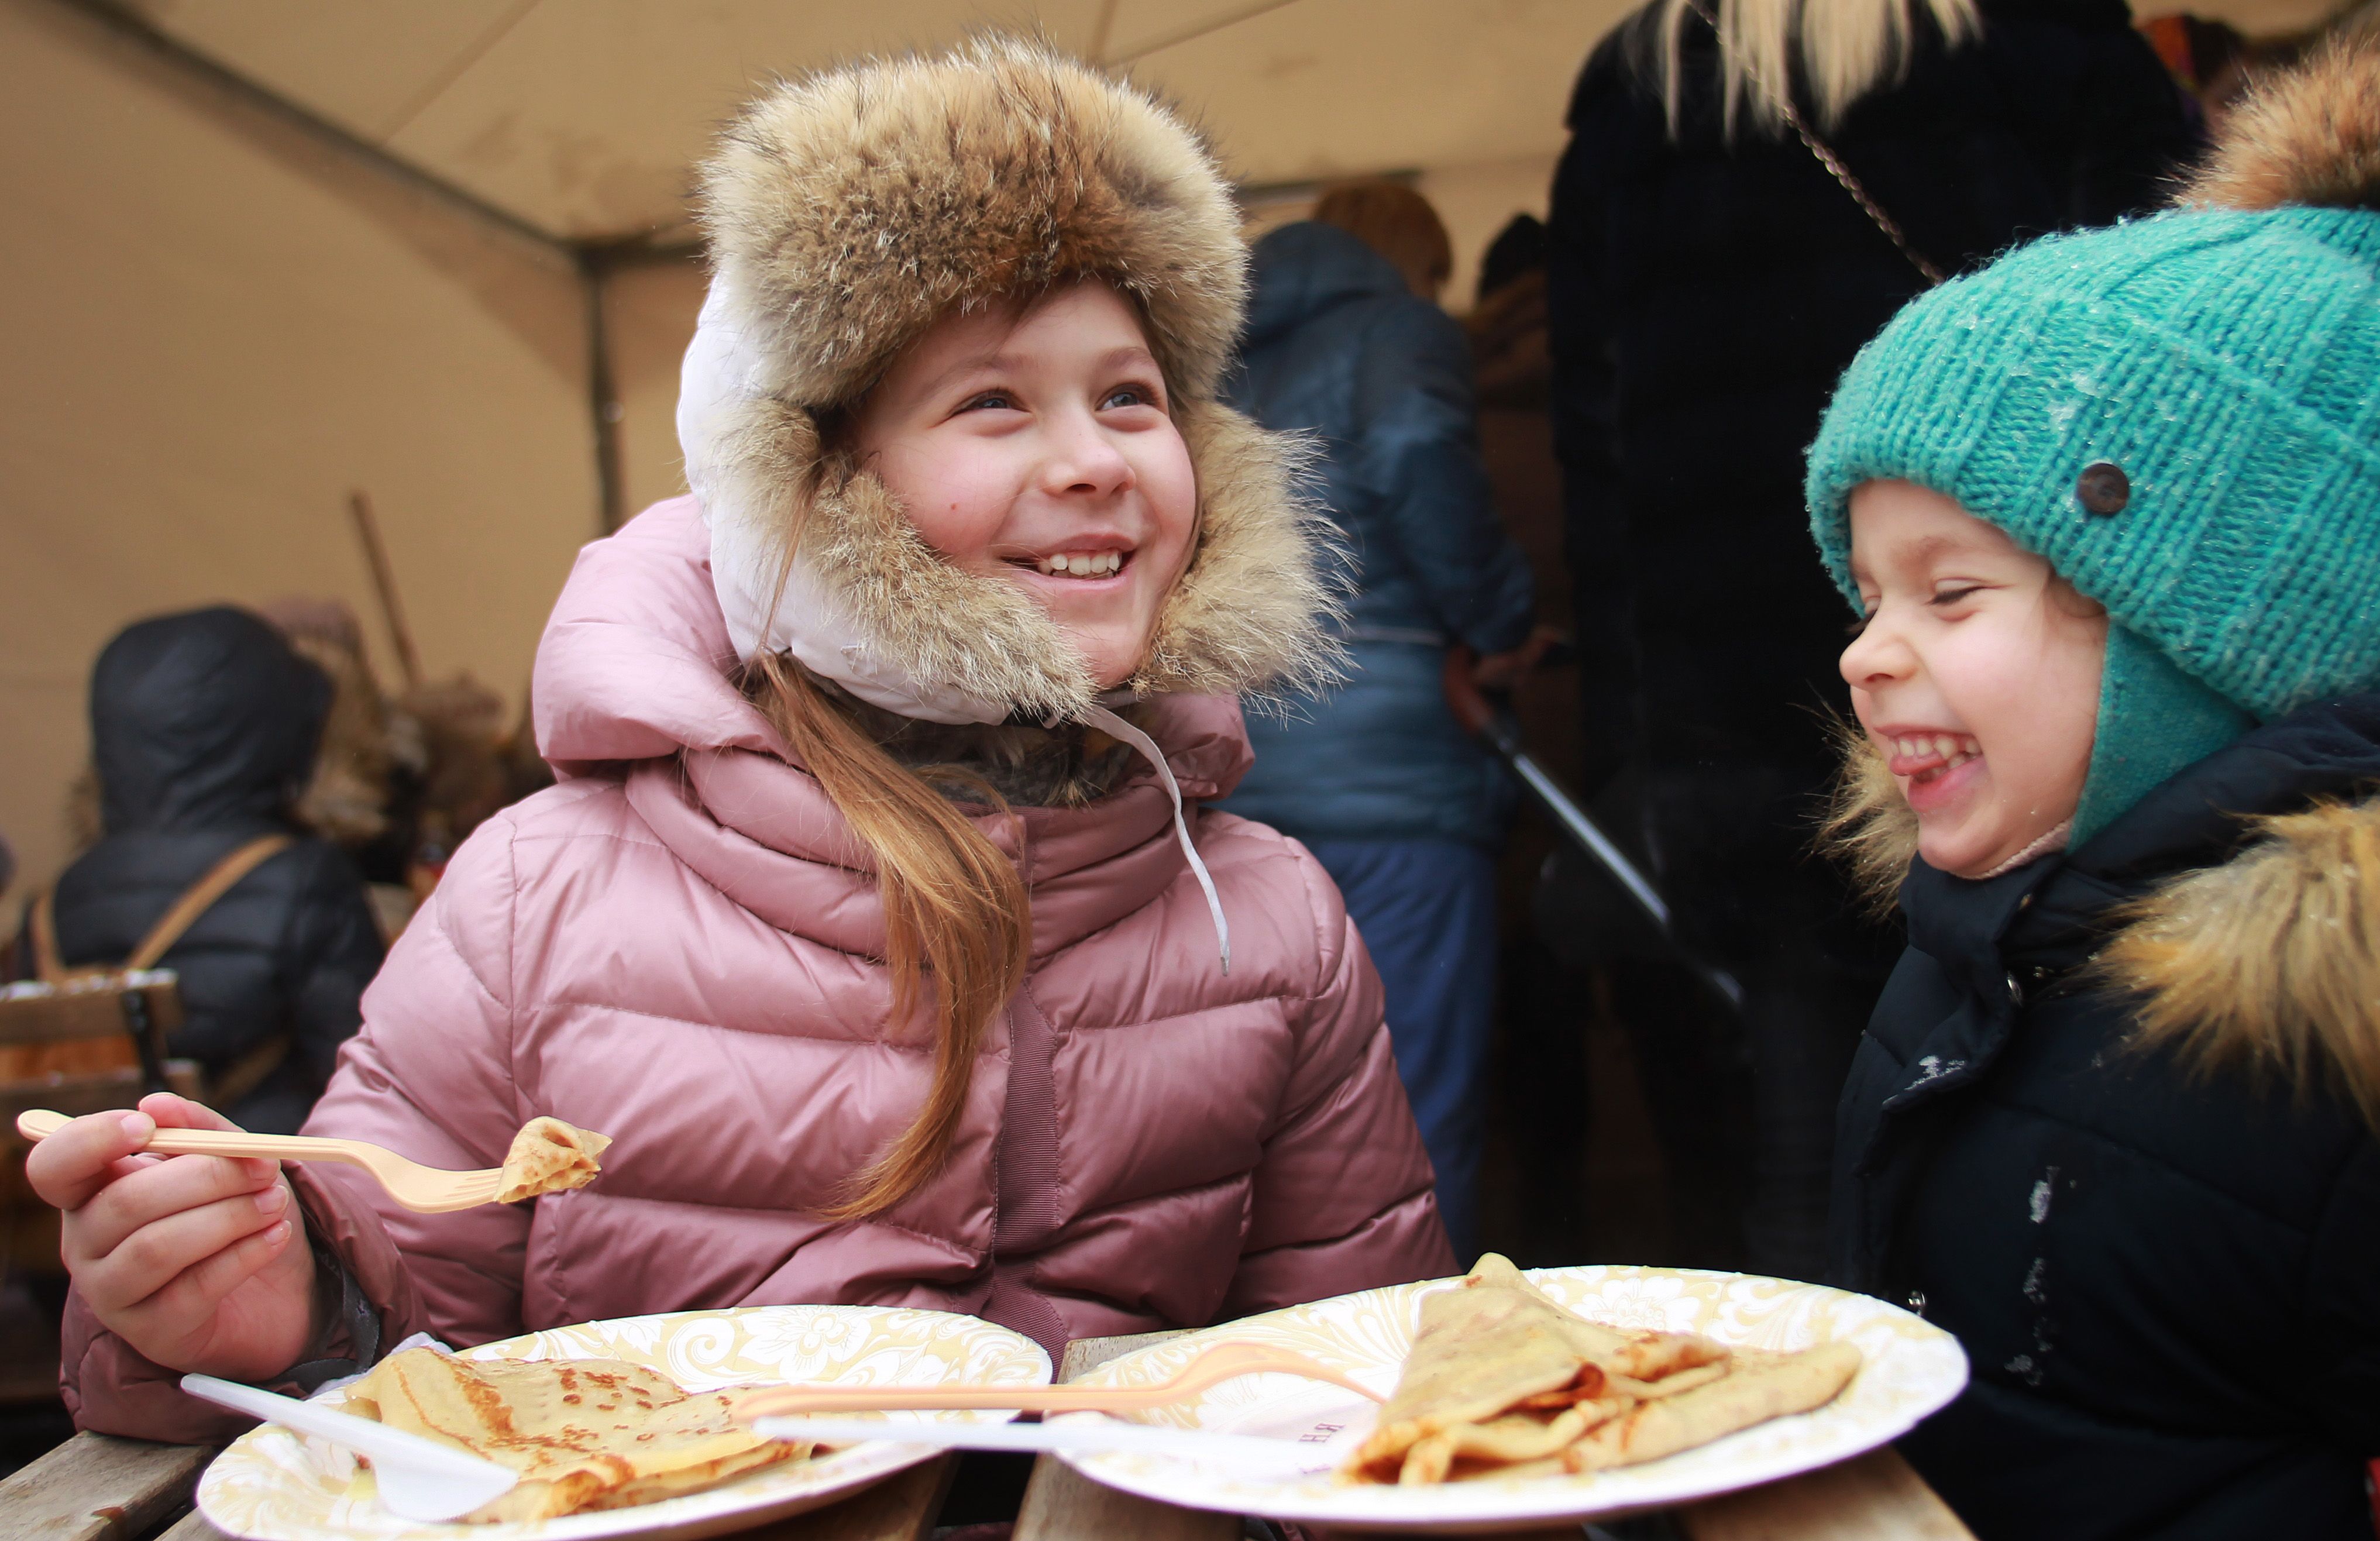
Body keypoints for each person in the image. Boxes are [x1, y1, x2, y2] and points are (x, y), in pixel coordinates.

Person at [28, 39, 1453, 1444]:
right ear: (810, 486)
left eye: (1130, 396)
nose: (1092, 459)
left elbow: (1368, 1376)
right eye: (993, 401)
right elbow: (401, 1355)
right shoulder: (539, 898)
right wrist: (272, 1311)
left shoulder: (1266, 914)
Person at [1808, 40, 2380, 1537]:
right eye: (1866, 592)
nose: (1868, 654)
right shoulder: (1978, 943)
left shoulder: (2336, 1066)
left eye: (1951, 592)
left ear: (2206, 640)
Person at [1545, 0, 2200, 1278]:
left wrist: (1643, 755)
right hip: (2042, 706)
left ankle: (1804, 1462)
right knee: (2113, 1145)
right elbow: (2173, 398)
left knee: (1812, 1149)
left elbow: (1600, 478)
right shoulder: (2042, 50)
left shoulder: (1643, 96)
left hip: (1732, 729)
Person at [1216, 181, 1537, 1263]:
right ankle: (1426, 1364)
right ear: (1415, 264)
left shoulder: (1209, 367)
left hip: (1239, 782)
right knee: (1411, 1099)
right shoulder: (1397, 330)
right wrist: (1498, 620)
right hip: (1396, 781)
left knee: (1267, 1112)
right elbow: (1414, 451)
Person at [25, 608, 383, 1136]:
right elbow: (372, 1075)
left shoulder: (53, 902)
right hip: (258, 1186)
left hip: (94, 1189)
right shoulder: (305, 879)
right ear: (275, 727)